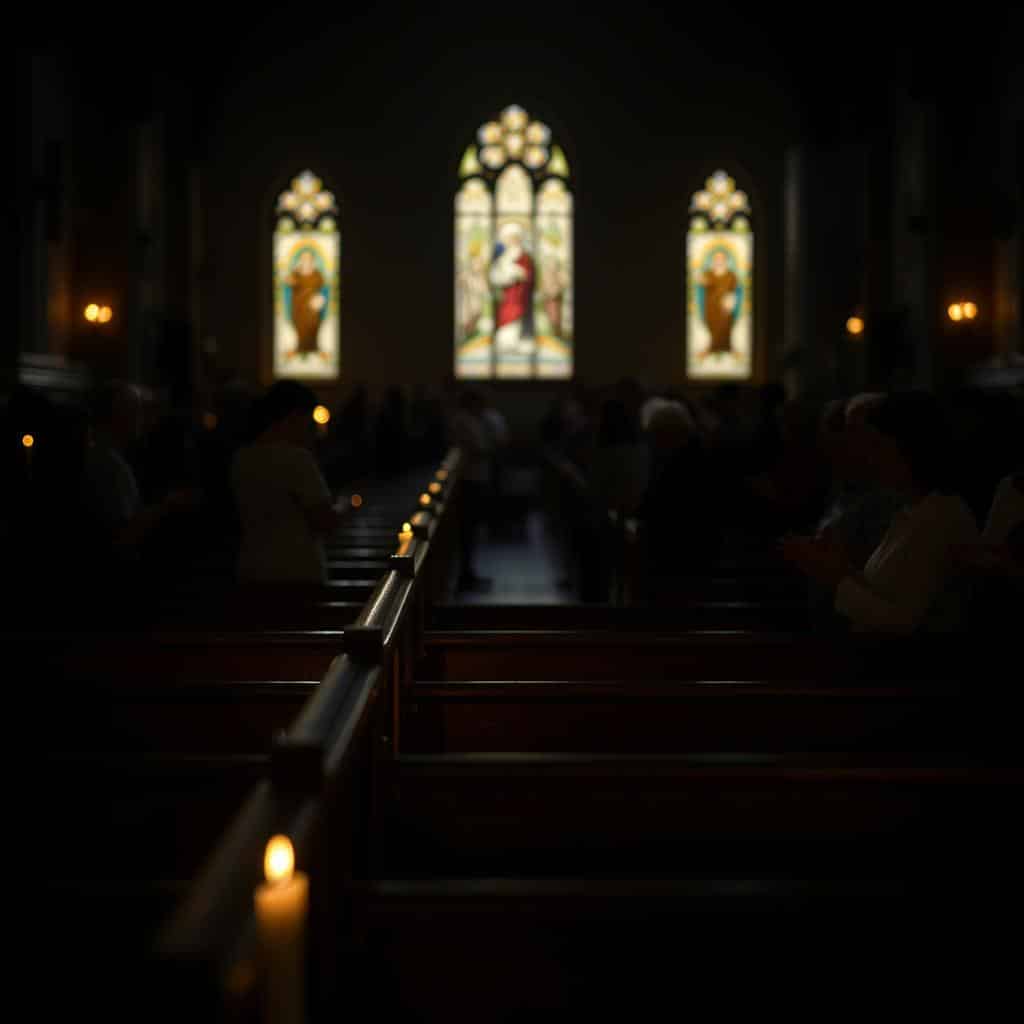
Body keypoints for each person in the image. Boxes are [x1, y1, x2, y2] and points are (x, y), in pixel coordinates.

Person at [780, 390, 980, 633]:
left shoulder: (940, 516)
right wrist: (834, 566)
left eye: (873, 444)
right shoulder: (911, 511)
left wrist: (835, 577)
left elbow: (904, 623)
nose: (864, 455)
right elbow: (883, 592)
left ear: (904, 447)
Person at [230, 380, 346, 584]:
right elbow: (323, 520)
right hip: (295, 573)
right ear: (294, 417)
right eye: (309, 420)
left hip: (252, 570)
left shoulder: (242, 457)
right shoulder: (296, 459)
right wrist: (343, 507)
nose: (312, 429)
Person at [449, 387, 494, 592]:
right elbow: (477, 447)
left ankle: (468, 572)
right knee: (468, 528)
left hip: (476, 477)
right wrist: (489, 448)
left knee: (472, 529)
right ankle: (465, 574)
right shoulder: (463, 421)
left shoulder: (474, 419)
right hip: (469, 479)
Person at [490, 222, 535, 356]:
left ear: (518, 239)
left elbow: (529, 274)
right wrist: (501, 277)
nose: (510, 241)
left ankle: (517, 344)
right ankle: (505, 345)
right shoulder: (503, 256)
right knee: (505, 317)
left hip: (520, 294)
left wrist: (517, 273)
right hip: (506, 294)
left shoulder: (525, 257)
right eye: (508, 239)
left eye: (513, 238)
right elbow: (495, 273)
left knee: (516, 316)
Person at [283, 248, 328, 360]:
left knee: (313, 326)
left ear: (312, 260)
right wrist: (290, 280)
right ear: (300, 260)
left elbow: (323, 288)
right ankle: (299, 348)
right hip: (298, 306)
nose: (306, 261)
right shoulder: (296, 273)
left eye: (308, 258)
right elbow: (288, 282)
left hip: (312, 307)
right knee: (301, 328)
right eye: (304, 258)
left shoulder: (317, 274)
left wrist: (320, 300)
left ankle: (315, 348)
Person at [697, 249, 740, 360]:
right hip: (711, 307)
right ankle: (712, 348)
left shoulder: (731, 275)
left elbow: (733, 290)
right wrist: (702, 280)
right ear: (713, 260)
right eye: (717, 259)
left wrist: (729, 303)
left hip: (725, 307)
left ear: (725, 260)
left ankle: (726, 348)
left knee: (725, 327)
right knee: (713, 326)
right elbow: (702, 281)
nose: (719, 261)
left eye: (721, 259)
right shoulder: (708, 273)